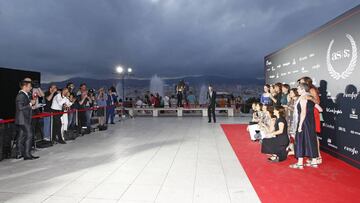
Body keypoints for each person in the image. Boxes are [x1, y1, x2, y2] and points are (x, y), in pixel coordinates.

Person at [290, 83, 319, 169]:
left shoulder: (303, 97)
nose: (297, 90)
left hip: (304, 122)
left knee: (300, 140)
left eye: (298, 89)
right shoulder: (310, 97)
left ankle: (300, 163)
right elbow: (320, 108)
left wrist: (300, 126)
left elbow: (303, 112)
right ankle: (314, 162)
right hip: (311, 122)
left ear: (303, 89)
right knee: (311, 140)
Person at [298, 76, 322, 164]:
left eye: (301, 82)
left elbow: (317, 102)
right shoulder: (305, 93)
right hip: (309, 113)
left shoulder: (311, 90)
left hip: (312, 114)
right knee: (310, 136)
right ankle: (314, 157)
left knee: (313, 136)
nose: (300, 83)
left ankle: (318, 157)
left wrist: (310, 98)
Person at [15, 79, 39, 160]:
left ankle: (20, 153)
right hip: (23, 119)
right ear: (25, 86)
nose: (31, 87)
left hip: (23, 119)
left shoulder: (24, 94)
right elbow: (20, 108)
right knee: (29, 135)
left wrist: (31, 104)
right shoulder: (21, 95)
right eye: (29, 86)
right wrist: (30, 104)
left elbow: (24, 107)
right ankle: (27, 155)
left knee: (21, 136)